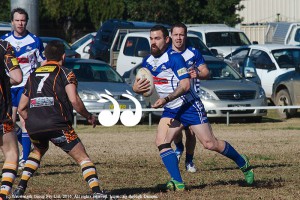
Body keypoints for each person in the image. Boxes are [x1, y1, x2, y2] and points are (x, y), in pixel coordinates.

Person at [133, 25, 254, 191]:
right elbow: (140, 84)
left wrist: (166, 99)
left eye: (158, 38)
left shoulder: (175, 58)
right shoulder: (147, 61)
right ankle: (178, 182)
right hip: (172, 109)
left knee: (210, 143)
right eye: (151, 39)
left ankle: (243, 163)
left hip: (189, 105)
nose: (153, 42)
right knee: (161, 142)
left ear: (166, 40)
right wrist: (136, 89)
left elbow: (185, 84)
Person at [12, 40, 106, 199]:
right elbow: (74, 100)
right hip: (58, 124)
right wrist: (89, 116)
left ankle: (20, 188)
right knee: (83, 157)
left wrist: (33, 120)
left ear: (46, 56)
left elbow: (21, 108)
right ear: (63, 56)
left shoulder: (33, 75)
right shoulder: (65, 72)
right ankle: (97, 192)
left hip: (34, 125)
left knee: (38, 151)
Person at [1, 7, 45, 169]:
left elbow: (43, 62)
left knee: (24, 118)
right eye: (17, 20)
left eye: (23, 20)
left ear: (26, 22)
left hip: (27, 85)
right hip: (9, 85)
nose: (20, 23)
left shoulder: (35, 40)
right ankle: (27, 148)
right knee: (9, 122)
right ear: (12, 22)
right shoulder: (4, 41)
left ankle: (25, 159)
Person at [171, 22, 210, 173]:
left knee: (191, 133)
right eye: (176, 34)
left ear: (185, 36)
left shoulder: (193, 53)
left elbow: (206, 72)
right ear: (171, 36)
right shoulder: (167, 54)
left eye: (181, 35)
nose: (179, 38)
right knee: (173, 131)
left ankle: (189, 160)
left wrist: (199, 74)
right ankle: (179, 146)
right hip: (173, 100)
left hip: (191, 100)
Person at [0, 39, 23, 200]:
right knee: (11, 153)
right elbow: (17, 77)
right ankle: (3, 194)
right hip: (2, 113)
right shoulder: (4, 46)